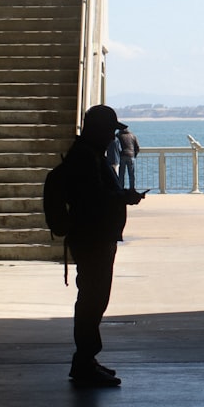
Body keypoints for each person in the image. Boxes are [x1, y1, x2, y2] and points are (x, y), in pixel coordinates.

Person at [65, 105, 145, 388]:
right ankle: (84, 361)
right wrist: (124, 197)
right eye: (110, 129)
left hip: (95, 238)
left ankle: (87, 359)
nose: (113, 135)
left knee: (93, 298)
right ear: (97, 129)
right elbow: (94, 198)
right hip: (93, 239)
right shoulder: (87, 158)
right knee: (92, 299)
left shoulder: (87, 154)